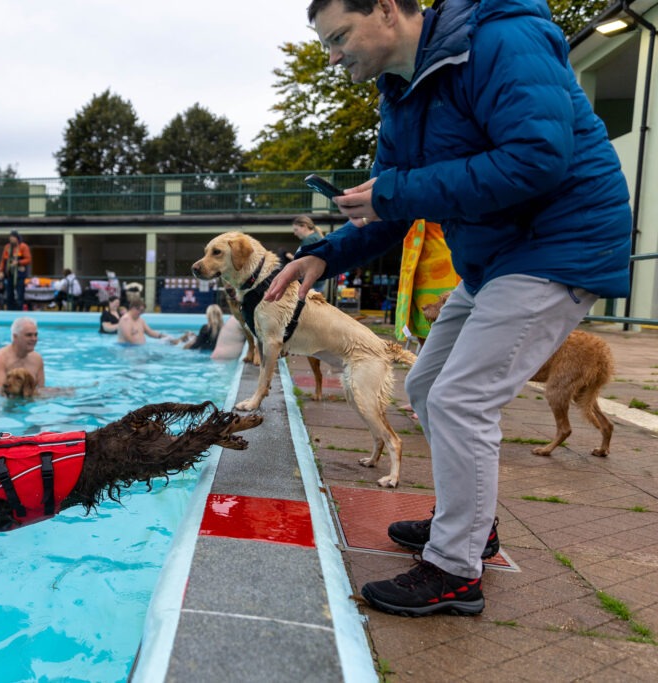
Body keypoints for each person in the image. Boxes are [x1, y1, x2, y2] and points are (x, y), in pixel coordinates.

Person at [265, 0, 632, 618]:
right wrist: (323, 257)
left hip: (559, 245)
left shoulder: (502, 39)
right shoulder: (400, 95)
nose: (332, 57)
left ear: (385, 9)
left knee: (464, 398)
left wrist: (393, 192)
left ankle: (456, 570)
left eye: (338, 38)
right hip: (493, 257)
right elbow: (391, 204)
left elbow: (538, 157)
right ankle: (471, 525)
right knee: (429, 385)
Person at [0, 317, 44, 392]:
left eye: (35, 335)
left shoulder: (37, 358)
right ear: (15, 337)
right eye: (29, 335)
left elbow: (41, 389)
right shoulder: (0, 358)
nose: (34, 339)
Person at [0, 230, 31, 310]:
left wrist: (18, 262)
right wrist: (1, 271)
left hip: (20, 273)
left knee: (20, 293)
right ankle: (10, 309)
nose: (11, 239)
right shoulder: (7, 247)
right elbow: (3, 260)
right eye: (10, 237)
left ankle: (19, 310)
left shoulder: (23, 246)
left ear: (17, 238)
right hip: (9, 273)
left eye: (13, 237)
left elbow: (28, 259)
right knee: (9, 293)